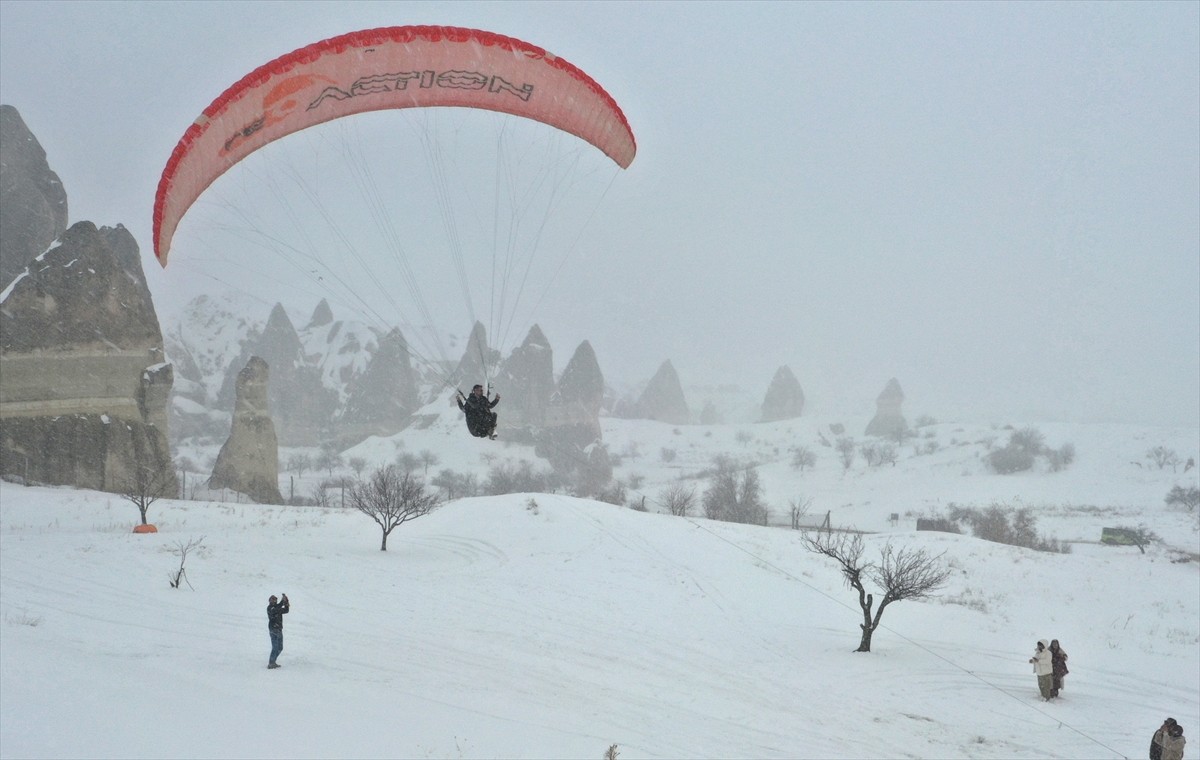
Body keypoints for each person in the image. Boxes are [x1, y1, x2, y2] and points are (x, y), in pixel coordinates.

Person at [267, 593, 289, 669]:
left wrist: (286, 603)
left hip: (279, 629)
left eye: (275, 599)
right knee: (275, 647)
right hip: (273, 629)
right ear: (269, 601)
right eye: (272, 600)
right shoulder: (270, 608)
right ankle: (271, 663)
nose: (274, 601)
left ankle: (273, 661)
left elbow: (286, 610)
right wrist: (283, 601)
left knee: (280, 647)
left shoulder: (277, 607)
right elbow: (276, 609)